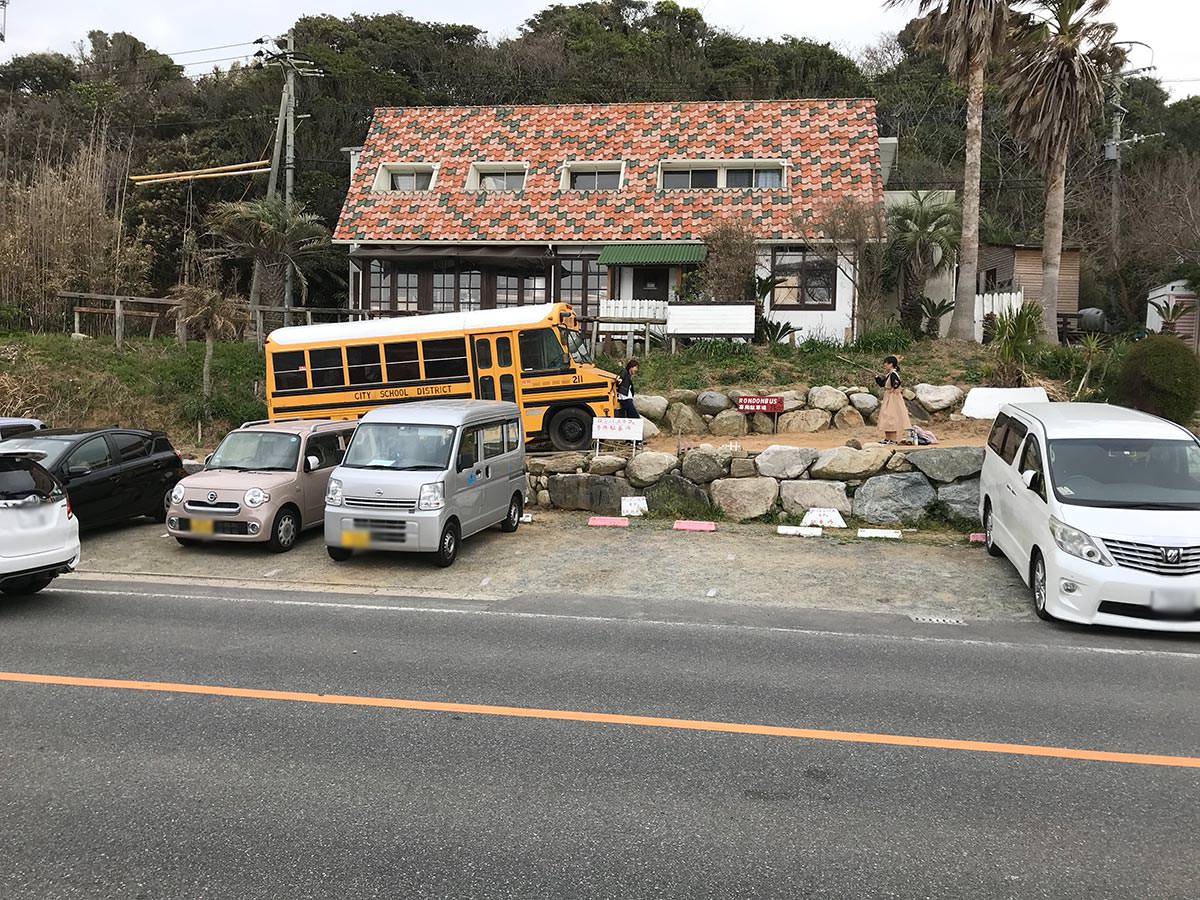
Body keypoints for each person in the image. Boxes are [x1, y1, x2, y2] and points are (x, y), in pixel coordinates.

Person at [874, 355, 911, 445]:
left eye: (886, 363)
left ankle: (893, 439)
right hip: (889, 397)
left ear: (891, 364)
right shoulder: (890, 374)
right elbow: (882, 384)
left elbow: (896, 383)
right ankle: (888, 438)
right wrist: (877, 377)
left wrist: (893, 389)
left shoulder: (893, 374)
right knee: (886, 417)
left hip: (893, 398)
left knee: (891, 417)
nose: (884, 365)